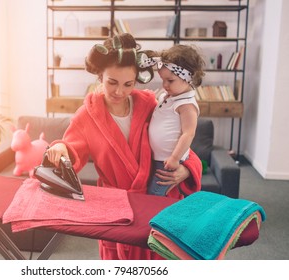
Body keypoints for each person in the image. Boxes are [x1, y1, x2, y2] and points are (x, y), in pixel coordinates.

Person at [46, 33, 202, 260]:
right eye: (112, 82)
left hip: (156, 206)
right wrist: (60, 149)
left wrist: (187, 168)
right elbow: (70, 146)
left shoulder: (150, 105)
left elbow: (178, 143)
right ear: (100, 76)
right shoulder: (87, 117)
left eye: (128, 84)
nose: (120, 92)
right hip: (114, 210)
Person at [145, 44, 205, 196]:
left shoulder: (186, 104)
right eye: (163, 80)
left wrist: (175, 158)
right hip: (157, 158)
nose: (165, 85)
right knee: (152, 192)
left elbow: (188, 134)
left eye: (170, 81)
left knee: (155, 195)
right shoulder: (169, 96)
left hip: (168, 160)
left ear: (188, 77)